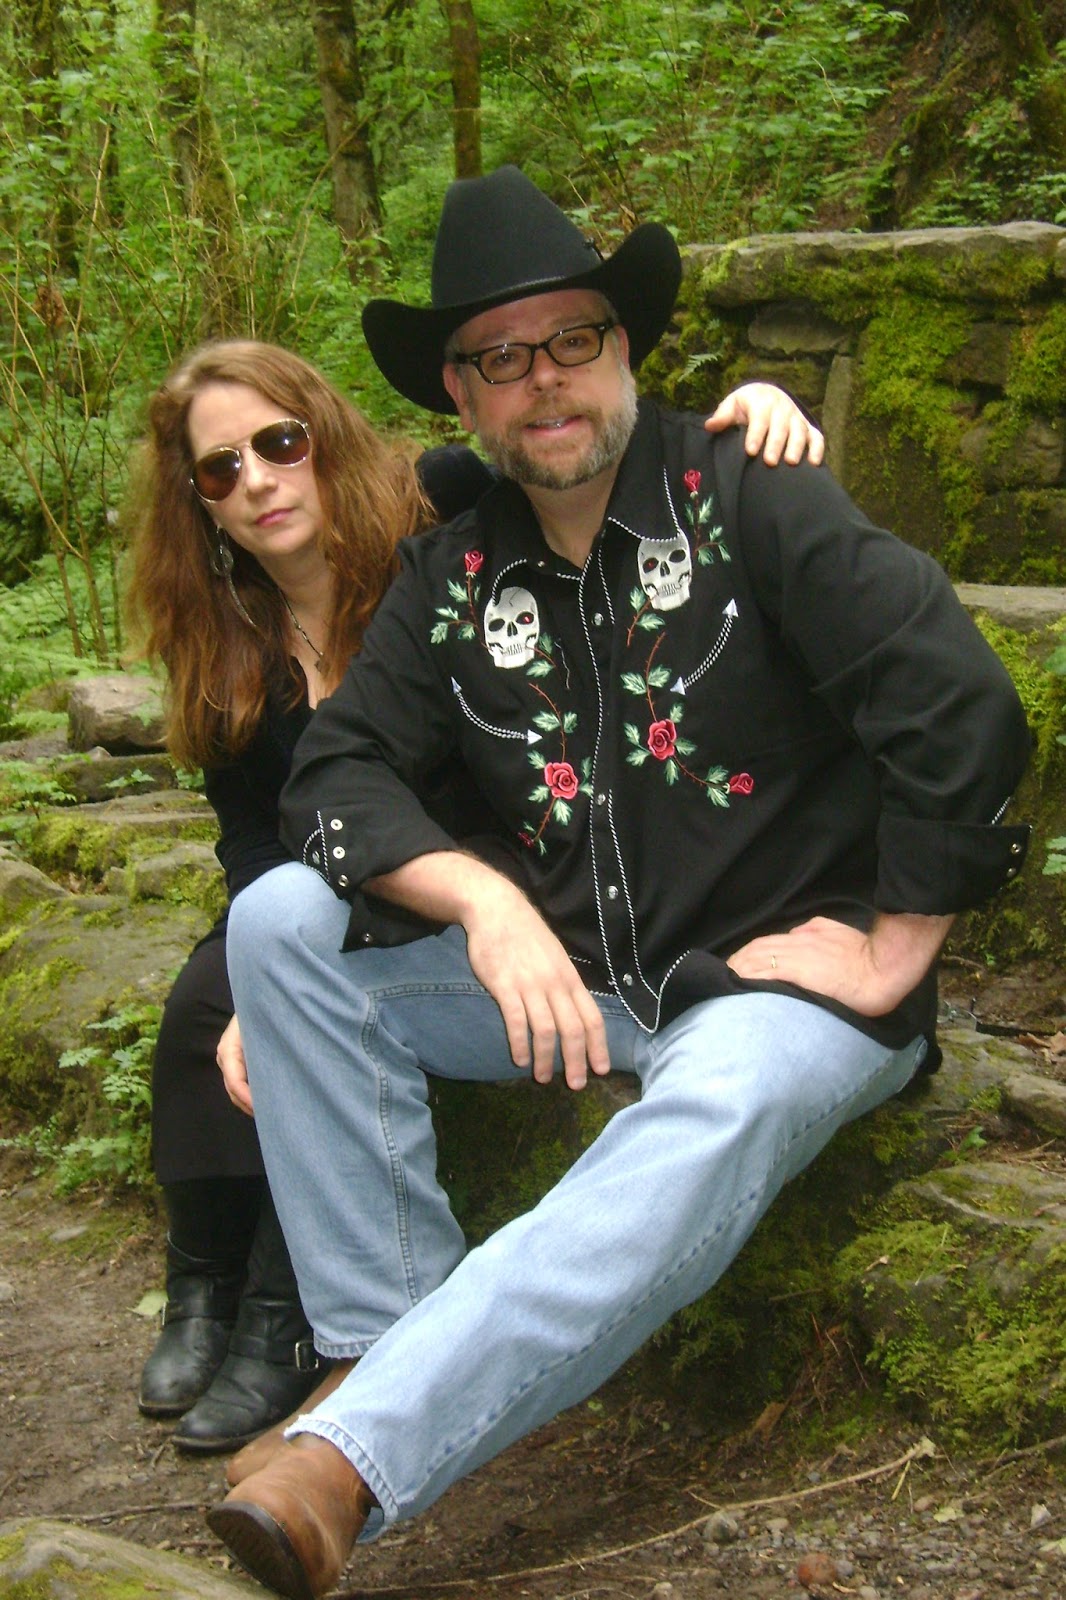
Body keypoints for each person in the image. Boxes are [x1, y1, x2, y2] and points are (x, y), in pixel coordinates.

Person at [206, 167, 1030, 1596]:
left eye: (570, 338)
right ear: (457, 395)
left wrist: (896, 946)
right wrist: (485, 902)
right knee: (278, 918)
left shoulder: (749, 495)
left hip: (771, 986)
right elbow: (333, 774)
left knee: (730, 1093)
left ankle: (349, 1455)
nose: (542, 379)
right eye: (497, 357)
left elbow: (957, 700)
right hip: (575, 985)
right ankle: (386, 1345)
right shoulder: (452, 573)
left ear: (624, 346)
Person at [123, 335, 819, 1456]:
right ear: (198, 501)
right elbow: (252, 834)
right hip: (331, 868)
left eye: (279, 443)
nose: (256, 479)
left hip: (487, 855)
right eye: (220, 468)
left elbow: (574, 446)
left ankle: (280, 1312)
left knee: (273, 984)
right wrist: (259, 986)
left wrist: (742, 416)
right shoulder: (223, 635)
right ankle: (205, 1285)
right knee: (214, 998)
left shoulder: (436, 509)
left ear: (322, 437)